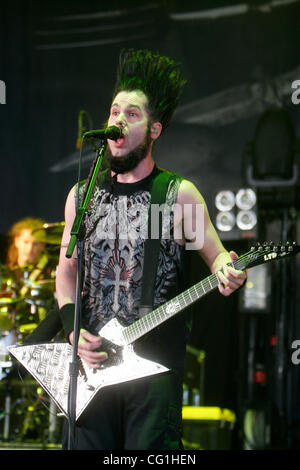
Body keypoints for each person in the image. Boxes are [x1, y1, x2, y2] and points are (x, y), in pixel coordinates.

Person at [56, 49, 247, 450]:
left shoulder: (178, 196)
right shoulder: (82, 194)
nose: (118, 120)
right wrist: (75, 332)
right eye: (114, 111)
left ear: (154, 130)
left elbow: (217, 261)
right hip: (89, 369)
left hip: (153, 369)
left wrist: (227, 271)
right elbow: (66, 272)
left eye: (132, 114)